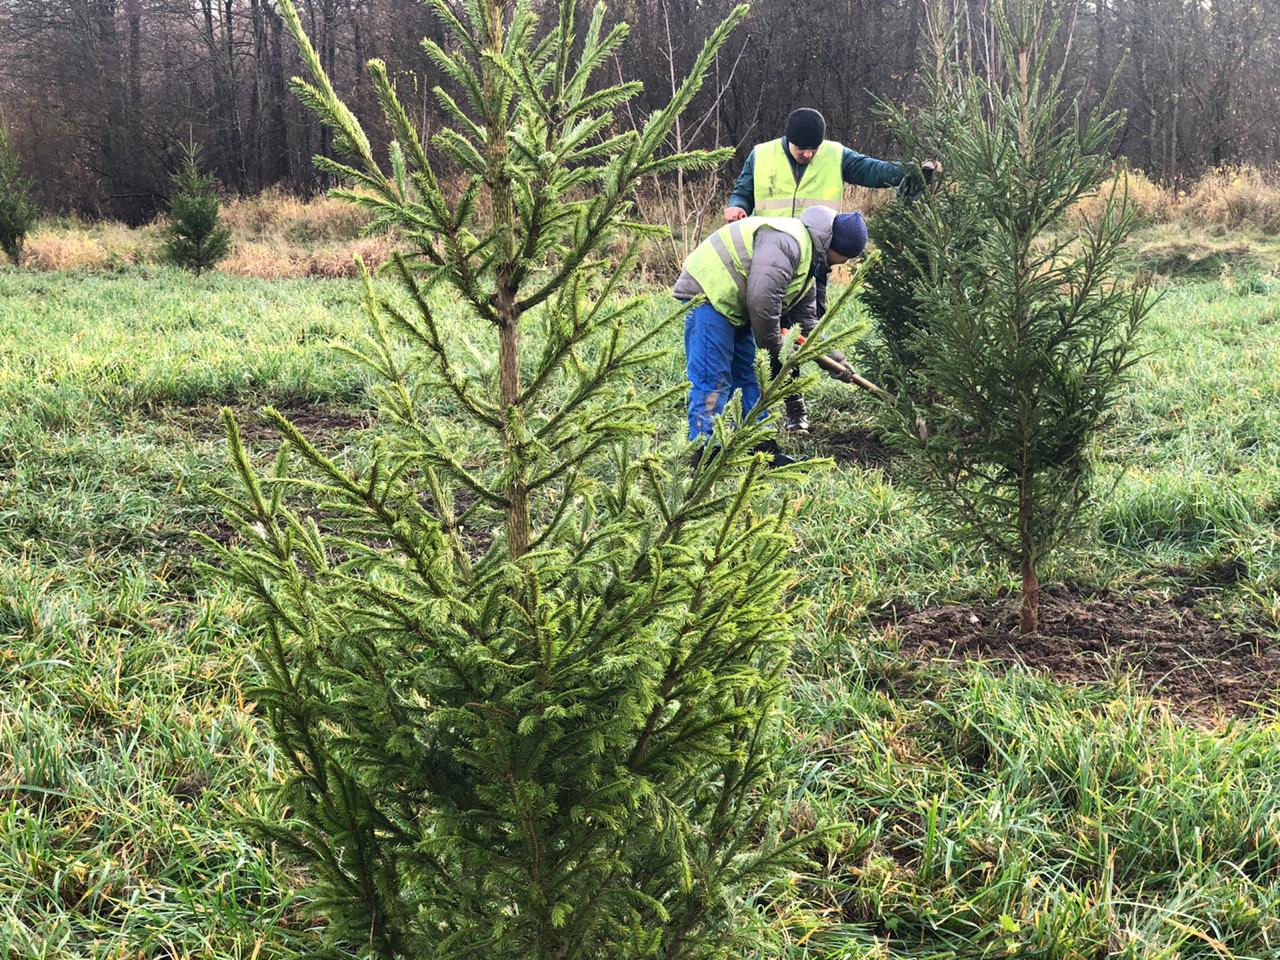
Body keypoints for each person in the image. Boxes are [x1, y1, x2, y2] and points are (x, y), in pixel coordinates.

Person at [725, 107, 935, 432]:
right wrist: (737, 205)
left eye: (813, 149)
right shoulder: (761, 155)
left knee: (803, 332)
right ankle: (786, 403)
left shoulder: (835, 155)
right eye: (801, 149)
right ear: (788, 140)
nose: (808, 154)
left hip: (814, 263)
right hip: (768, 263)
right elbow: (743, 190)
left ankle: (794, 405)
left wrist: (908, 173)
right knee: (775, 334)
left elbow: (872, 171)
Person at [673, 205, 866, 468]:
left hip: (734, 303)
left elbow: (807, 325)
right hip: (709, 292)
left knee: (751, 378)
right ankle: (704, 454)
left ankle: (759, 446)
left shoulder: (809, 261)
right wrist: (777, 348)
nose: (840, 264)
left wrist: (837, 362)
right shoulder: (789, 243)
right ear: (832, 245)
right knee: (712, 377)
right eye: (841, 257)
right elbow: (762, 302)